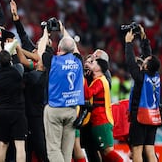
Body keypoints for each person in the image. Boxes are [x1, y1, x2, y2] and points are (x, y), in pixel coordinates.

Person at [39, 20, 85, 162]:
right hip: (72, 110)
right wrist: (63, 29)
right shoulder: (78, 61)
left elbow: (41, 50)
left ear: (58, 49)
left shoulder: (53, 61)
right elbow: (74, 48)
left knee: (53, 149)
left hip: (55, 109)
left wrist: (46, 32)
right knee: (66, 151)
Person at [125, 26, 161, 162]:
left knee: (137, 150)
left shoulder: (140, 78)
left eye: (144, 61)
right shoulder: (155, 76)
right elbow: (149, 57)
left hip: (140, 117)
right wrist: (144, 37)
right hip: (153, 117)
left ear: (145, 67)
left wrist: (128, 43)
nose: (142, 60)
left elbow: (130, 63)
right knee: (150, 150)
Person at [84, 51, 123, 161]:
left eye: (95, 60)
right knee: (103, 152)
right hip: (99, 119)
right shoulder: (98, 79)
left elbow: (87, 94)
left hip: (101, 120)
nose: (92, 59)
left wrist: (81, 80)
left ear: (99, 67)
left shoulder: (100, 80)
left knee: (107, 151)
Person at [0, 50, 27, 162]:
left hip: (2, 112)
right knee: (20, 146)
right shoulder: (17, 71)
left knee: (2, 145)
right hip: (18, 112)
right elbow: (19, 64)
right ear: (10, 60)